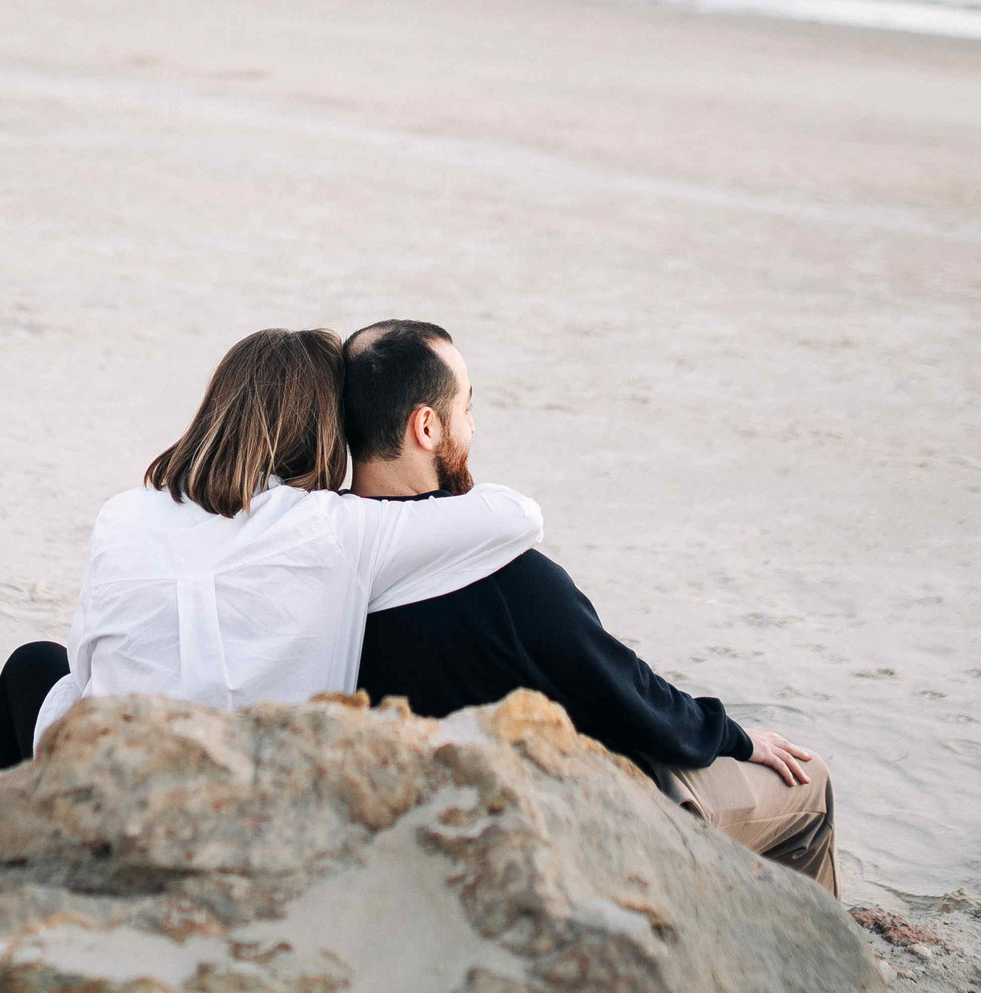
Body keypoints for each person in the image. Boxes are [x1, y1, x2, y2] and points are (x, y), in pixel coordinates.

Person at [346, 319, 840, 894]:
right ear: (427, 426)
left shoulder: (321, 555)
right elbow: (632, 702)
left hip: (415, 828)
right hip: (568, 834)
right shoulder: (506, 580)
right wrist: (734, 735)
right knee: (810, 788)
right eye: (467, 408)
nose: (474, 427)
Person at [0, 325, 543, 771]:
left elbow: (88, 667)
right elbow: (516, 516)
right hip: (254, 798)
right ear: (323, 427)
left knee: (36, 666)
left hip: (109, 775)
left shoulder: (121, 513)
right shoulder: (339, 528)